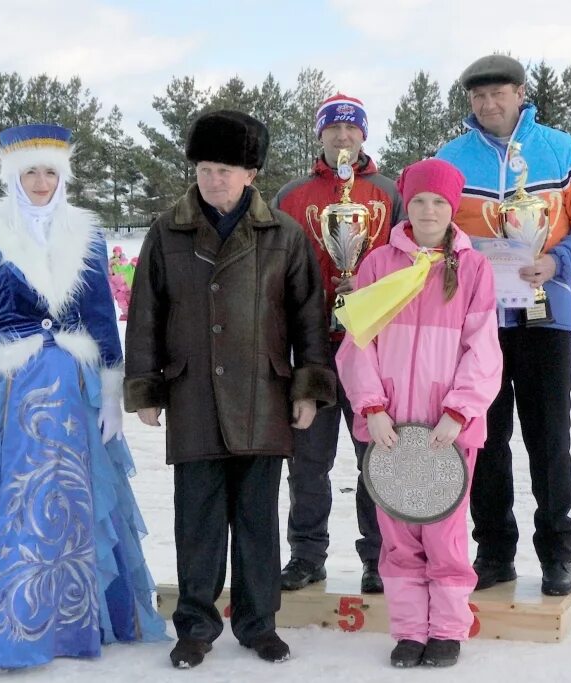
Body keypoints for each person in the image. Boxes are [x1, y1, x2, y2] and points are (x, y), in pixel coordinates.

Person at [0, 123, 165, 669]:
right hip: (13, 392)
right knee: (15, 504)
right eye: (31, 171)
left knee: (75, 504)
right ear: (13, 175)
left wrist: (111, 390)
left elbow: (102, 315)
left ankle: (74, 624)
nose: (42, 181)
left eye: (51, 171)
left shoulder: (86, 234)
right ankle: (12, 630)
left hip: (73, 392)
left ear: (63, 175)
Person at [124, 110, 336, 669]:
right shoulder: (167, 231)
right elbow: (145, 313)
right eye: (204, 168)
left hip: (264, 393)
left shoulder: (284, 235)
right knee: (196, 520)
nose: (213, 179)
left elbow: (307, 318)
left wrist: (308, 387)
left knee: (257, 519)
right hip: (193, 393)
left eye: (225, 169)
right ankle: (194, 626)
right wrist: (146, 388)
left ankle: (258, 623)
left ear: (251, 174)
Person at [436, 54, 571, 595]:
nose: (488, 105)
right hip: (476, 324)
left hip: (546, 316)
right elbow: (430, 226)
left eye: (498, 94)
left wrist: (557, 261)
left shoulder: (563, 150)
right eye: (477, 97)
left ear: (520, 93)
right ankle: (493, 552)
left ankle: (556, 553)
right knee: (484, 440)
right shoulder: (451, 158)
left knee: (548, 439)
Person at [335, 158, 501, 667]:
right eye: (420, 201)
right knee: (399, 530)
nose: (429, 211)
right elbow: (358, 342)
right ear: (407, 204)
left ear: (453, 208)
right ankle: (409, 629)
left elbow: (483, 348)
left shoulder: (473, 269)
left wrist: (460, 412)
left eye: (439, 203)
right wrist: (372, 406)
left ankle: (447, 627)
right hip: (390, 426)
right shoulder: (379, 265)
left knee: (446, 530)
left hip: (445, 429)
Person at [272, 92, 404, 594]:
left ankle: (378, 556)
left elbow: (408, 263)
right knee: (307, 458)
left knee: (375, 453)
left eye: (351, 129)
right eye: (333, 129)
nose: (342, 137)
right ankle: (307, 554)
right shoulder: (292, 194)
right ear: (320, 134)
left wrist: (369, 289)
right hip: (312, 346)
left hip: (373, 345)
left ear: (364, 134)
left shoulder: (389, 192)